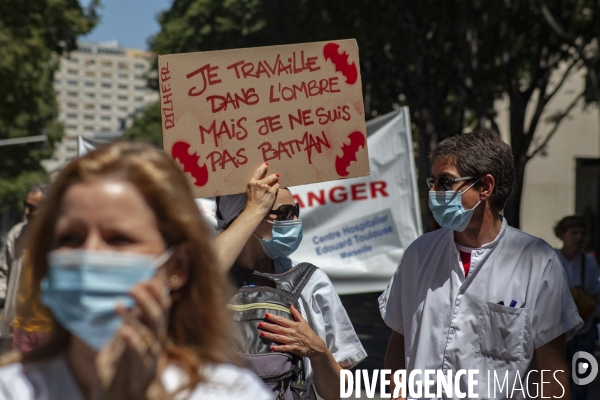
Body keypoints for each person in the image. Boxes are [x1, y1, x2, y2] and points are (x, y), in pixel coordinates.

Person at [0, 142, 271, 399]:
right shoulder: (11, 388)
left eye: (118, 238)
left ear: (178, 265)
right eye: (70, 238)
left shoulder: (232, 392)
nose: (90, 253)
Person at [380, 129, 582, 399]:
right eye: (432, 181)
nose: (434, 192)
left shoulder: (537, 262)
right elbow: (398, 345)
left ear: (485, 187)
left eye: (445, 182)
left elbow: (552, 375)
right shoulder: (418, 254)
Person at [212, 163, 367, 400]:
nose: (293, 220)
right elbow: (197, 273)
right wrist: (254, 209)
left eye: (295, 210)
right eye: (283, 213)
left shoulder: (310, 282)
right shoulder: (207, 287)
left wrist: (318, 351)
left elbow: (341, 393)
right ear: (246, 217)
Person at [554, 215, 600, 400]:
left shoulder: (588, 261)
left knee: (582, 380)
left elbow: (595, 291)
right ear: (562, 235)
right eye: (574, 233)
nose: (578, 237)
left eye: (582, 233)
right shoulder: (551, 257)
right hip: (557, 331)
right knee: (556, 379)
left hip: (583, 330)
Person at [0, 184, 51, 351]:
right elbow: (4, 272)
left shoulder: (62, 239)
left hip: (51, 330)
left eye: (32, 208)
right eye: (25, 205)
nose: (26, 212)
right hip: (20, 327)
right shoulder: (17, 235)